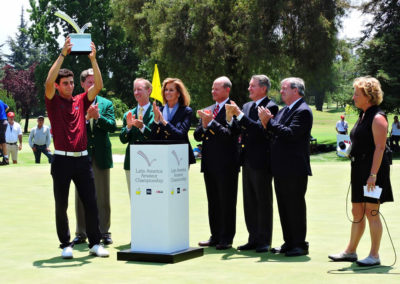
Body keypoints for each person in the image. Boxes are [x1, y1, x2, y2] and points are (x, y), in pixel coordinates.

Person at [44, 37, 109, 259]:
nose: (70, 86)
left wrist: (93, 60)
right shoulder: (52, 100)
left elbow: (98, 85)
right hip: (61, 160)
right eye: (66, 83)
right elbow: (47, 82)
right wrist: (63, 54)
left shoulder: (81, 100)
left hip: (82, 160)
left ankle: (94, 243)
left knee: (91, 203)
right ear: (58, 86)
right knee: (61, 205)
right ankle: (65, 244)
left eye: (72, 82)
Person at [328, 76, 393, 266]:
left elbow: (380, 148)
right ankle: (350, 251)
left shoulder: (378, 117)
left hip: (373, 172)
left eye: (357, 94)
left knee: (372, 211)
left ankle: (374, 255)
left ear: (369, 96)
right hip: (358, 169)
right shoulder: (363, 115)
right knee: (357, 211)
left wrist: (372, 175)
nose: (353, 97)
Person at [258, 77, 313, 257]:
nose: (281, 92)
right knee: (283, 206)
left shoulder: (303, 111)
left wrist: (269, 122)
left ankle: (299, 244)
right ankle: (289, 242)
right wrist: (266, 123)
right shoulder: (284, 111)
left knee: (295, 206)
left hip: (294, 168)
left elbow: (290, 134)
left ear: (296, 90)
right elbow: (273, 132)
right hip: (280, 167)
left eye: (284, 88)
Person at [225, 75, 278, 253]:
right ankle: (253, 238)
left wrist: (239, 115)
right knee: (249, 202)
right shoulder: (247, 106)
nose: (249, 89)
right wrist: (231, 119)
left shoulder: (271, 106)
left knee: (263, 201)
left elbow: (258, 130)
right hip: (246, 160)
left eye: (252, 86)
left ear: (263, 88)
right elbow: (238, 130)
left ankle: (264, 240)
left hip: (261, 160)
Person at [194, 76, 240, 250]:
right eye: (212, 88)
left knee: (227, 202)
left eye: (217, 89)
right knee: (213, 201)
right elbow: (198, 135)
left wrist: (210, 123)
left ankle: (226, 238)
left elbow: (231, 135)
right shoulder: (209, 109)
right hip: (209, 163)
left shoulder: (233, 109)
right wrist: (205, 126)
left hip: (227, 164)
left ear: (227, 90)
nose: (213, 91)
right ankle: (215, 235)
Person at [73, 68, 117, 246]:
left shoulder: (106, 104)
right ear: (83, 84)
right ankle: (81, 232)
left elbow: (113, 127)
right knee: (80, 195)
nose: (92, 85)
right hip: (81, 155)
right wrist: (85, 118)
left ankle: (104, 232)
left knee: (102, 195)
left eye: (95, 82)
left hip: (100, 155)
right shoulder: (75, 103)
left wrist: (98, 118)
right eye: (89, 82)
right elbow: (72, 128)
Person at [120, 78, 154, 195]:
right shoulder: (128, 114)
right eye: (134, 90)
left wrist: (142, 127)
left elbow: (155, 137)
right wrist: (128, 127)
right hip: (131, 162)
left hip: (151, 163)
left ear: (149, 90)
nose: (136, 93)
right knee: (134, 199)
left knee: (151, 199)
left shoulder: (157, 113)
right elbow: (123, 139)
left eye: (139, 89)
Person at [151, 78, 196, 165]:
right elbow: (153, 137)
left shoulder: (186, 111)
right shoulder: (160, 110)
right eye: (166, 90)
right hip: (161, 155)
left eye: (171, 90)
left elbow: (181, 134)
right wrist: (156, 120)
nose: (167, 92)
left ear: (178, 93)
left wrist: (164, 122)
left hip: (180, 156)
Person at [0, 99, 9, 165]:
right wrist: (3, 114)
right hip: (4, 121)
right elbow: (7, 107)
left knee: (2, 141)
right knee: (2, 140)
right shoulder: (1, 101)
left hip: (1, 121)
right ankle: (4, 157)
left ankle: (6, 159)